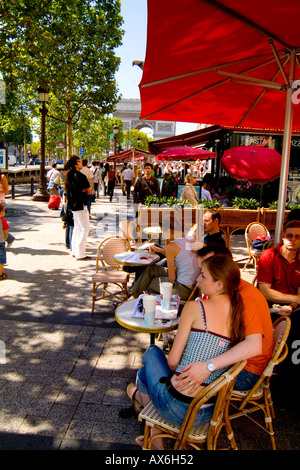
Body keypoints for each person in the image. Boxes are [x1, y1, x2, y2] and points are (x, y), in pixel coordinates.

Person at [127, 255, 245, 449]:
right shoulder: (237, 312)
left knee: (151, 354)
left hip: (177, 408)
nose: (197, 279)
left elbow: (172, 362)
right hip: (208, 410)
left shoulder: (194, 307)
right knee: (148, 372)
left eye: (203, 276)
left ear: (219, 285)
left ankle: (141, 403)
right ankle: (151, 430)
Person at [173, 243, 274, 393]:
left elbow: (254, 346)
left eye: (204, 272)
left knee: (173, 366)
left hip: (246, 370)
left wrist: (209, 366)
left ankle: (149, 397)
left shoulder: (246, 297)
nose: (198, 279)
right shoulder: (223, 291)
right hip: (231, 358)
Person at [130, 235, 200, 301]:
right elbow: (180, 255)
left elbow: (172, 278)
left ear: (170, 230)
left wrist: (170, 262)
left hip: (183, 291)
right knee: (151, 268)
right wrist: (160, 250)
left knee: (150, 281)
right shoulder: (189, 240)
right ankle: (135, 294)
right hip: (191, 286)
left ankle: (138, 298)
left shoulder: (172, 246)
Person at [257, 220, 300, 315]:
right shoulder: (268, 256)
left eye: (297, 236)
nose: (293, 239)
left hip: (293, 307)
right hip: (269, 306)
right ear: (283, 236)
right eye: (289, 235)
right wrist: (296, 299)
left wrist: (292, 306)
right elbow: (265, 292)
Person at [65, 156, 92, 260]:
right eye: (79, 161)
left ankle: (75, 251)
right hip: (81, 204)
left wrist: (83, 190)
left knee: (77, 228)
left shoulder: (70, 175)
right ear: (76, 164)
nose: (81, 162)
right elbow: (89, 191)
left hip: (73, 205)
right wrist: (84, 190)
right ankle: (80, 253)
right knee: (84, 229)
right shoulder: (81, 176)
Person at [0, 202, 9, 280]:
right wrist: (5, 239)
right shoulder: (3, 221)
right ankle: (0, 273)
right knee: (1, 258)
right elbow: (6, 232)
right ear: (2, 211)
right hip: (0, 242)